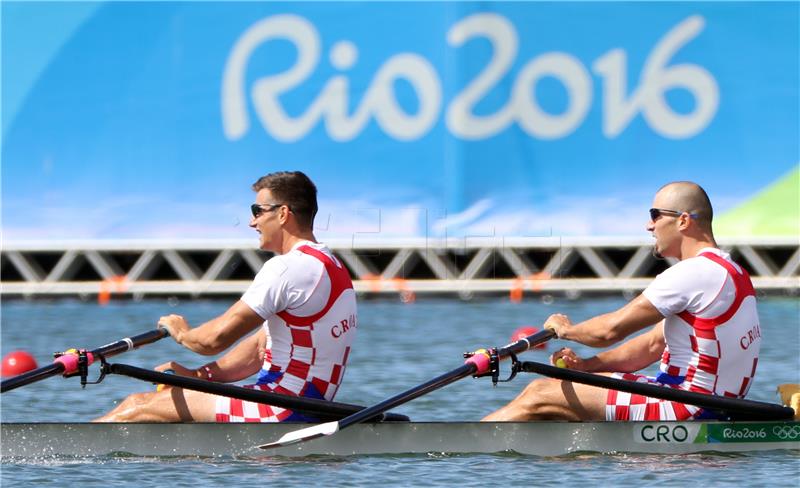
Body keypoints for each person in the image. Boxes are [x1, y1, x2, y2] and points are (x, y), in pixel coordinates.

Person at [483, 181, 761, 422]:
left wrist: (564, 329)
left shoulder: (692, 273)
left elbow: (609, 331)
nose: (649, 225)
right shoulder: (733, 272)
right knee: (563, 391)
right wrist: (586, 367)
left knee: (539, 393)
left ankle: (469, 449)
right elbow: (651, 345)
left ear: (683, 221)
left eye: (655, 215)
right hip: (711, 403)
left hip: (688, 407)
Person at [95, 171, 358, 422]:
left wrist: (182, 333)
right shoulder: (332, 266)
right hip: (304, 405)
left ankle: (68, 456)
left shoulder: (288, 268)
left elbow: (214, 340)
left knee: (137, 405)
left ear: (282, 214)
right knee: (167, 404)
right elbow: (259, 349)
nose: (252, 222)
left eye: (257, 211)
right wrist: (197, 375)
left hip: (281, 407)